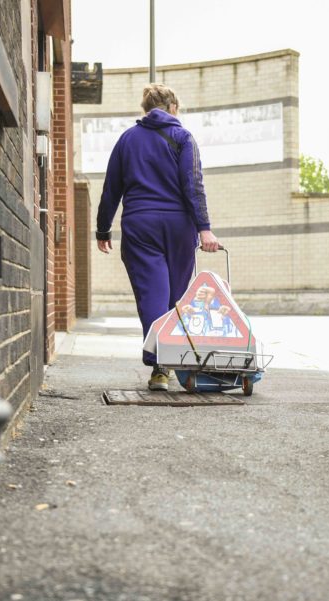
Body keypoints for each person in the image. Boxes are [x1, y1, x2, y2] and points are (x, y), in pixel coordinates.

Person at [96, 83, 219, 391]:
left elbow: (112, 188)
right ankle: (168, 359)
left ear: (146, 108)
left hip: (140, 224)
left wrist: (102, 228)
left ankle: (159, 365)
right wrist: (204, 227)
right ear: (173, 108)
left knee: (152, 294)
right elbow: (194, 184)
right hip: (179, 226)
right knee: (174, 297)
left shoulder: (127, 139)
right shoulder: (182, 137)